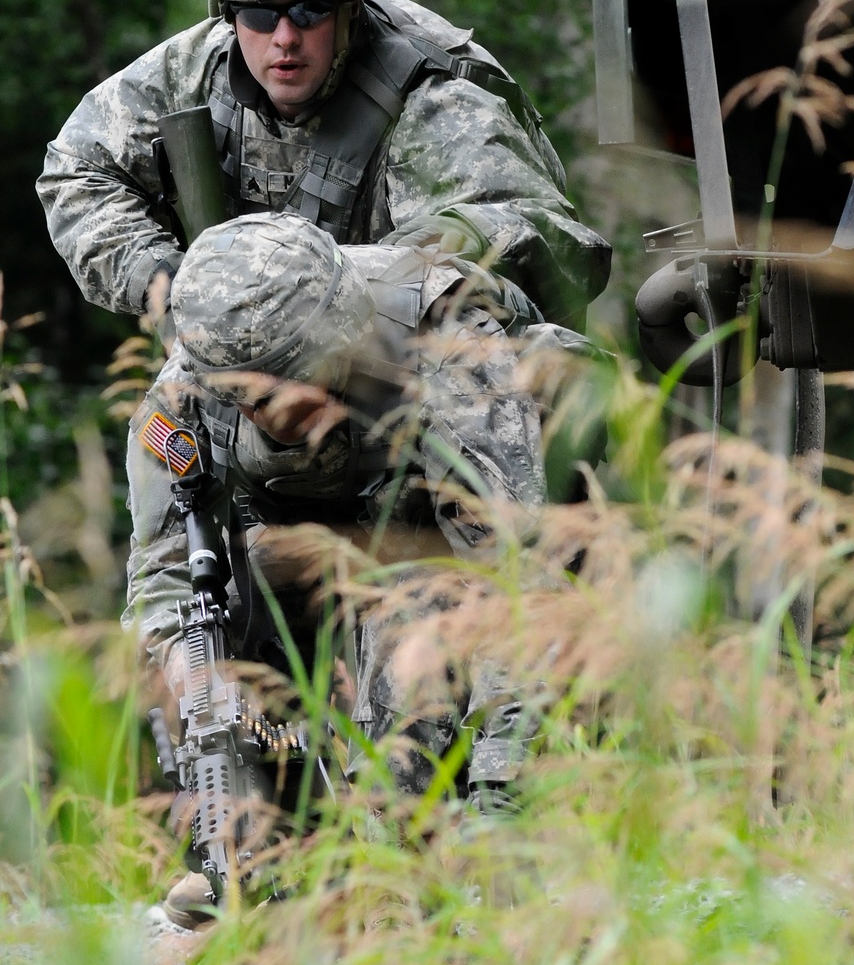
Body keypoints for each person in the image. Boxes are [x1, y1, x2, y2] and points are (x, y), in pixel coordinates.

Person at [130, 214, 549, 881]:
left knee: (412, 613)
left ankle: (391, 842)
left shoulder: (445, 344)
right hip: (312, 539)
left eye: (287, 380)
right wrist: (194, 674)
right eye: (244, 394)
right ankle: (256, 848)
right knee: (203, 625)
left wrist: (502, 788)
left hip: (441, 532)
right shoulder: (187, 393)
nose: (265, 409)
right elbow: (161, 576)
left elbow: (521, 582)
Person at [36, 0, 611, 337]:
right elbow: (76, 169)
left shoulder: (434, 92)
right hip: (251, 359)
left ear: (350, 8)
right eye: (259, 16)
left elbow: (534, 230)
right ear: (230, 17)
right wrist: (170, 284)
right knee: (167, 436)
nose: (284, 37)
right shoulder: (192, 69)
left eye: (309, 11)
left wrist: (340, 286)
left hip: (409, 364)